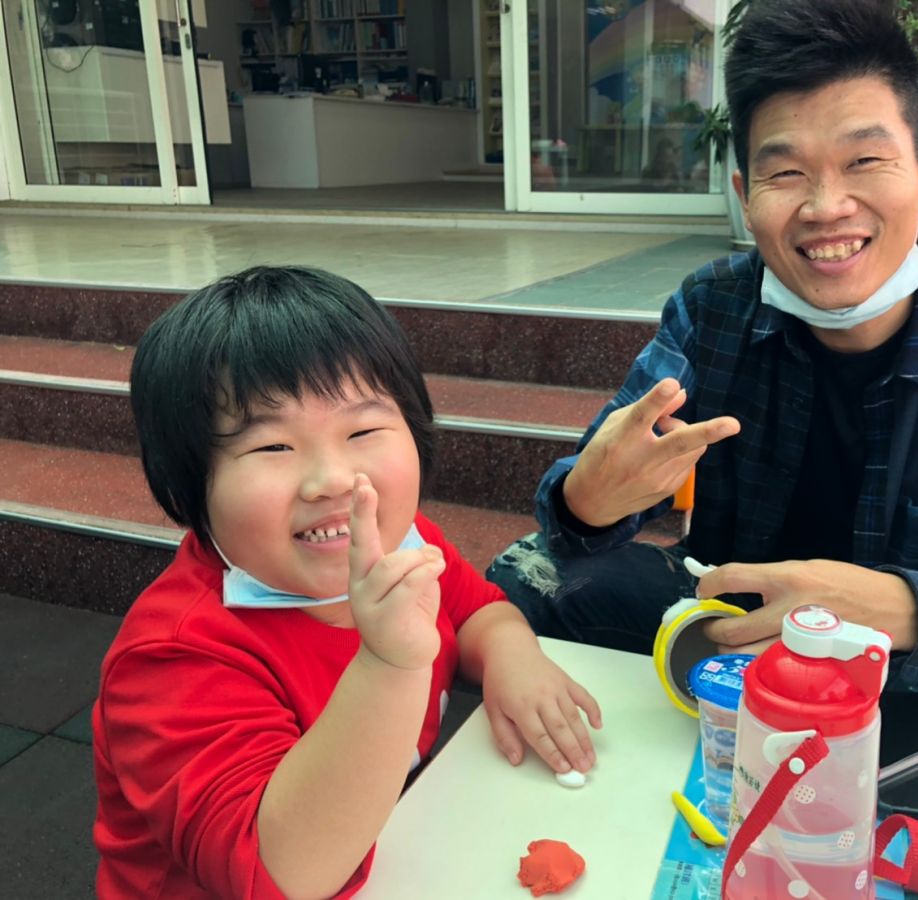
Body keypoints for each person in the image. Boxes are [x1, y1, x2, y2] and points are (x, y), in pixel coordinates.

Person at [488, 0, 918, 737]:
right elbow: (596, 491)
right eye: (786, 172)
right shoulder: (714, 307)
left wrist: (892, 606)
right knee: (526, 578)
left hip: (913, 658)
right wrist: (587, 501)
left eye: (864, 161)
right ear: (745, 194)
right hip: (733, 631)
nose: (826, 207)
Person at [93, 267, 602, 899]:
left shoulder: (403, 544)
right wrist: (388, 663)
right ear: (188, 482)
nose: (333, 479)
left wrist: (512, 655)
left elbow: (478, 611)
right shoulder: (173, 658)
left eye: (362, 431)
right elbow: (285, 873)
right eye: (273, 448)